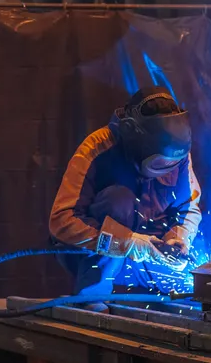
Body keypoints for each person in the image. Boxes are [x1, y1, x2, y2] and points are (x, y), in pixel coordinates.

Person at [49, 87, 201, 300]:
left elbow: (189, 207)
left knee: (189, 284)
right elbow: (62, 220)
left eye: (173, 163)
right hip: (95, 253)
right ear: (133, 134)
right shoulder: (97, 147)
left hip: (149, 252)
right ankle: (93, 296)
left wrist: (178, 238)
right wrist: (127, 242)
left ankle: (152, 297)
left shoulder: (177, 152)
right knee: (118, 200)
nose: (168, 167)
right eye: (160, 162)